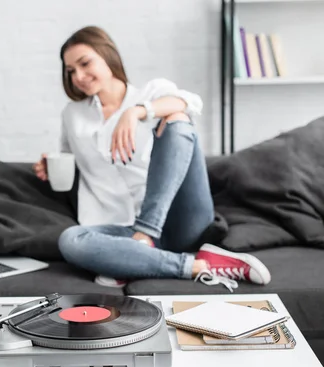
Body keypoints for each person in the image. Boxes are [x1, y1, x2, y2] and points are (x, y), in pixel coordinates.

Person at [33, 26, 271, 291]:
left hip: (179, 221)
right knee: (71, 240)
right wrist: (50, 167)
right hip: (119, 229)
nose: (78, 76)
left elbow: (190, 103)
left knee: (178, 121)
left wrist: (136, 112)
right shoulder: (73, 114)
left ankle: (143, 240)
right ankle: (193, 265)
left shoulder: (151, 92)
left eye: (85, 63)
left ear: (107, 55)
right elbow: (67, 161)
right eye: (70, 71)